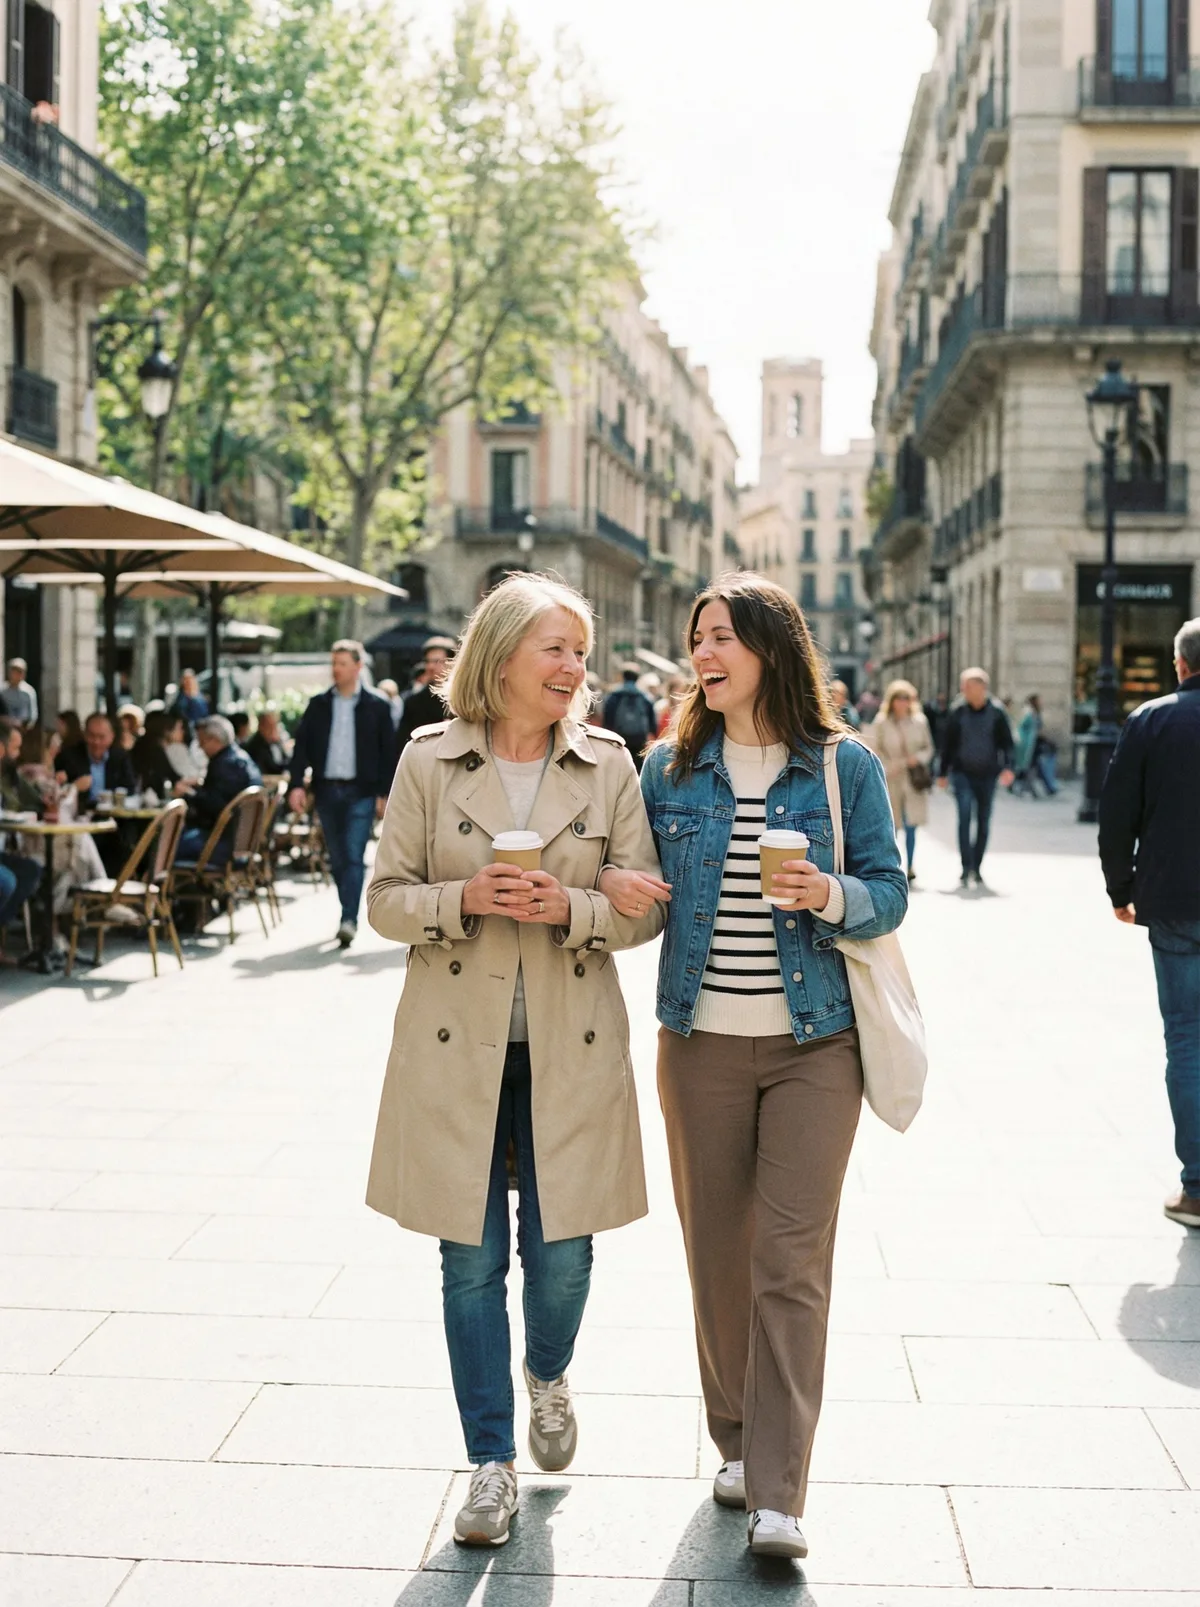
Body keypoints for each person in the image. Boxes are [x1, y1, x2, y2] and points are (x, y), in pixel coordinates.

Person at [602, 573, 907, 1562]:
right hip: (698, 1046)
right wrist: (616, 889)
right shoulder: (668, 772)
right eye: (698, 636)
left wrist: (827, 891)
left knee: (790, 1258)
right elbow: (646, 912)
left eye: (724, 634)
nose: (705, 651)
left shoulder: (841, 766)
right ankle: (734, 1437)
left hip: (818, 1046)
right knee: (718, 1253)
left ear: (773, 646)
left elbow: (889, 893)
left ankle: (780, 1488)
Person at [365, 573, 664, 1549]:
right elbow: (386, 900)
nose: (577, 668)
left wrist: (572, 908)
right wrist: (466, 899)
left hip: (569, 1048)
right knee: (468, 1261)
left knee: (564, 1255)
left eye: (580, 650)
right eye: (558, 649)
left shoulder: (610, 762)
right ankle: (490, 1462)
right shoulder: (429, 760)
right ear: (500, 655)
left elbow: (646, 906)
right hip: (457, 1052)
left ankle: (548, 1369)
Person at [1099, 617, 1200, 1229]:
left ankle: (1196, 1189)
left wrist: (1121, 888)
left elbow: (1117, 814)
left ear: (1180, 664)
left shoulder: (1152, 720)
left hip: (1174, 902)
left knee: (1187, 1039)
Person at [287, 640, 397, 947]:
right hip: (327, 791)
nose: (336, 669)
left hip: (361, 792)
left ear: (358, 667)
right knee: (336, 858)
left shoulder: (377, 706)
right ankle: (346, 910)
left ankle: (349, 918)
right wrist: (296, 784)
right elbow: (301, 749)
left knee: (353, 854)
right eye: (333, 663)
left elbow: (389, 752)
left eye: (342, 663)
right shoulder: (318, 705)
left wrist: (384, 793)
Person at [937, 667, 1015, 888]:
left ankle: (976, 867)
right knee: (964, 816)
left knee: (983, 820)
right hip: (962, 774)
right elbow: (947, 745)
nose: (963, 690)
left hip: (988, 775)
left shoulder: (998, 712)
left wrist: (1008, 767)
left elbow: (1007, 743)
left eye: (968, 686)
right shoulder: (957, 711)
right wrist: (942, 773)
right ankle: (965, 867)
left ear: (982, 687)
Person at [865, 680, 935, 884]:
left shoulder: (920, 721)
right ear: (892, 700)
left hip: (912, 779)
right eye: (899, 698)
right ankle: (892, 866)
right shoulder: (881, 722)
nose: (903, 702)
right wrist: (887, 766)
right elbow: (874, 748)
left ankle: (911, 865)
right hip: (891, 778)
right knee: (891, 824)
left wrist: (918, 759)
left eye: (907, 698)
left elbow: (928, 748)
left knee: (912, 823)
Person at [174, 716, 262, 865]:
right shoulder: (239, 758)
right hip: (244, 844)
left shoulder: (224, 764)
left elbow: (215, 807)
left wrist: (189, 794)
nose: (200, 747)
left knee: (166, 844)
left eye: (202, 741)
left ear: (215, 740)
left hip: (225, 845)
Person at [395, 636, 458, 757]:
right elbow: (403, 742)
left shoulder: (466, 699)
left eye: (437, 661)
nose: (430, 667)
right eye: (427, 662)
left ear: (452, 663)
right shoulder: (414, 702)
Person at [601, 663, 658, 770]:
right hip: (639, 738)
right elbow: (652, 721)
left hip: (618, 738)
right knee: (637, 767)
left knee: (619, 768)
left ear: (623, 677)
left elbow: (607, 719)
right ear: (637, 678)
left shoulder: (614, 696)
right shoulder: (644, 697)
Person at [131, 711, 188, 798]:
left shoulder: (151, 745)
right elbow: (172, 777)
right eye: (179, 728)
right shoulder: (152, 748)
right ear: (166, 731)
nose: (182, 732)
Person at [1011, 694, 1059, 797]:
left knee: (1033, 768)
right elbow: (1024, 728)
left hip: (1033, 744)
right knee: (1029, 767)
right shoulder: (1029, 712)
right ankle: (1028, 788)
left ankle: (1042, 789)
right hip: (1028, 745)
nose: (1041, 702)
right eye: (1039, 700)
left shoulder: (1034, 713)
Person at [244, 708, 292, 777]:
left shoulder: (277, 742)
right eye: (269, 725)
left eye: (275, 725)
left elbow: (285, 761)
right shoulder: (255, 745)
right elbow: (270, 769)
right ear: (260, 726)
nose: (273, 729)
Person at [0, 658, 38, 727]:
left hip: (22, 729)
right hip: (5, 729)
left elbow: (33, 715)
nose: (17, 674)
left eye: (20, 671)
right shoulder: (2, 691)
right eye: (14, 671)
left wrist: (26, 727)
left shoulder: (29, 692)